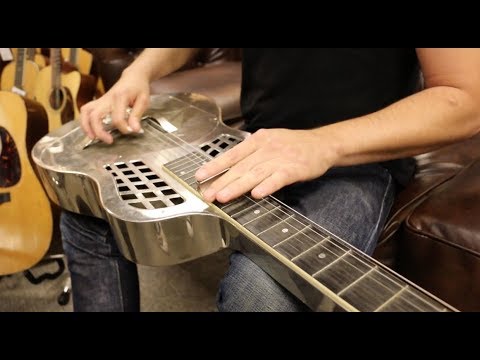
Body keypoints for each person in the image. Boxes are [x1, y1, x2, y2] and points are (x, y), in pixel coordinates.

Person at [61, 48, 480, 312]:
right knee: (91, 196)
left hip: (352, 162)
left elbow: (466, 98)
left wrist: (323, 145)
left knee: (259, 294)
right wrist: (139, 72)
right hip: (248, 146)